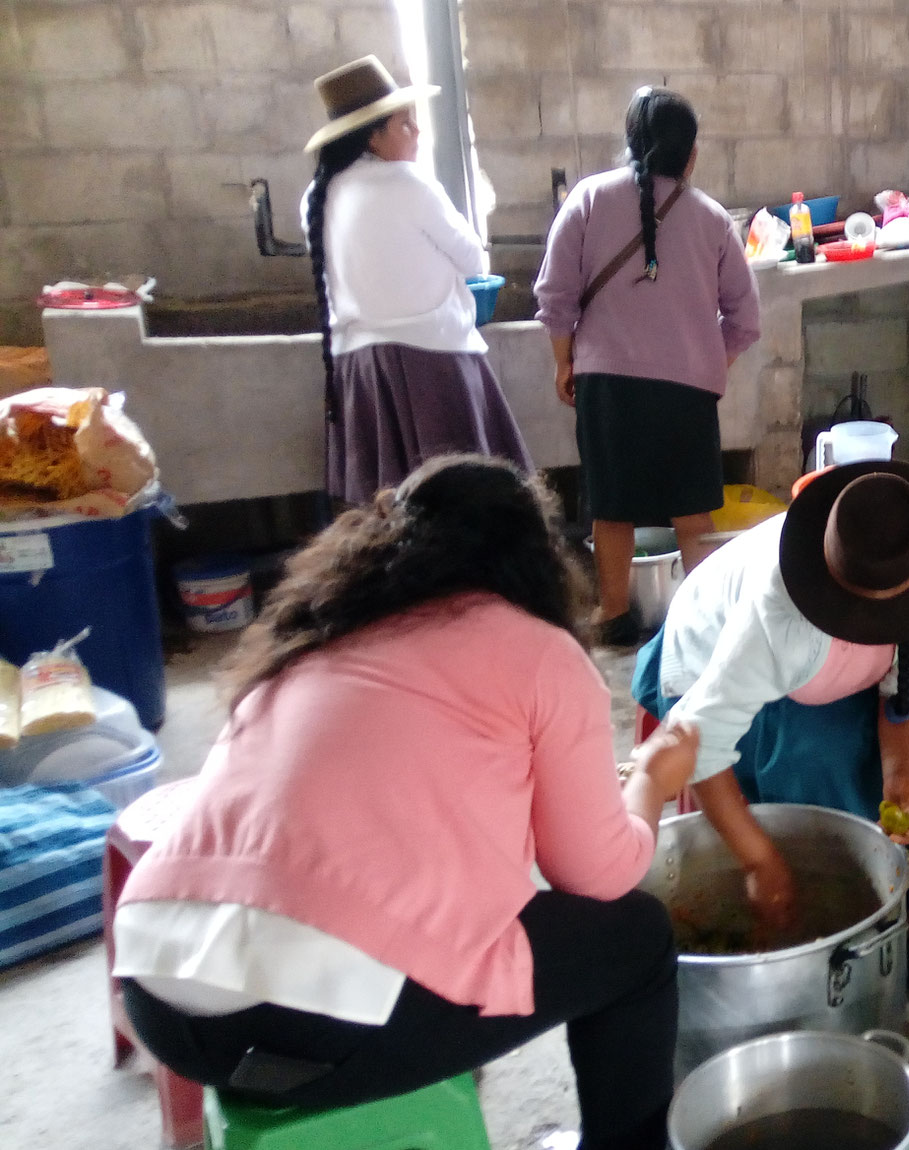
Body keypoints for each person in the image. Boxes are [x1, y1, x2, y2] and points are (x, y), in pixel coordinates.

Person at [113, 456, 693, 1150]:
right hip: (308, 1028)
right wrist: (652, 781)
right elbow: (595, 875)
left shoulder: (312, 639)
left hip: (158, 998)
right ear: (536, 560)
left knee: (454, 912)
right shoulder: (540, 652)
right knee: (635, 939)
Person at [634, 461, 909, 991]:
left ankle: (901, 922)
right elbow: (702, 742)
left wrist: (901, 772)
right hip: (720, 667)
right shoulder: (781, 618)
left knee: (890, 781)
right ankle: (805, 950)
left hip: (829, 664)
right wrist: (760, 862)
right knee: (810, 766)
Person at [536, 87, 762, 647]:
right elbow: (745, 317)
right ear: (690, 152)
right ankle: (706, 624)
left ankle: (614, 612)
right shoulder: (712, 220)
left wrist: (564, 363)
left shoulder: (588, 199)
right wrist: (715, 360)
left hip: (606, 384)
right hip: (686, 389)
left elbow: (555, 295)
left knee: (611, 510)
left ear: (631, 144)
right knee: (693, 512)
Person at [302, 56, 531, 505]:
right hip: (432, 363)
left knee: (388, 511)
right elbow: (472, 261)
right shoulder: (407, 183)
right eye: (405, 124)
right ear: (374, 135)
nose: (417, 133)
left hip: (359, 370)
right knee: (462, 504)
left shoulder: (319, 194)